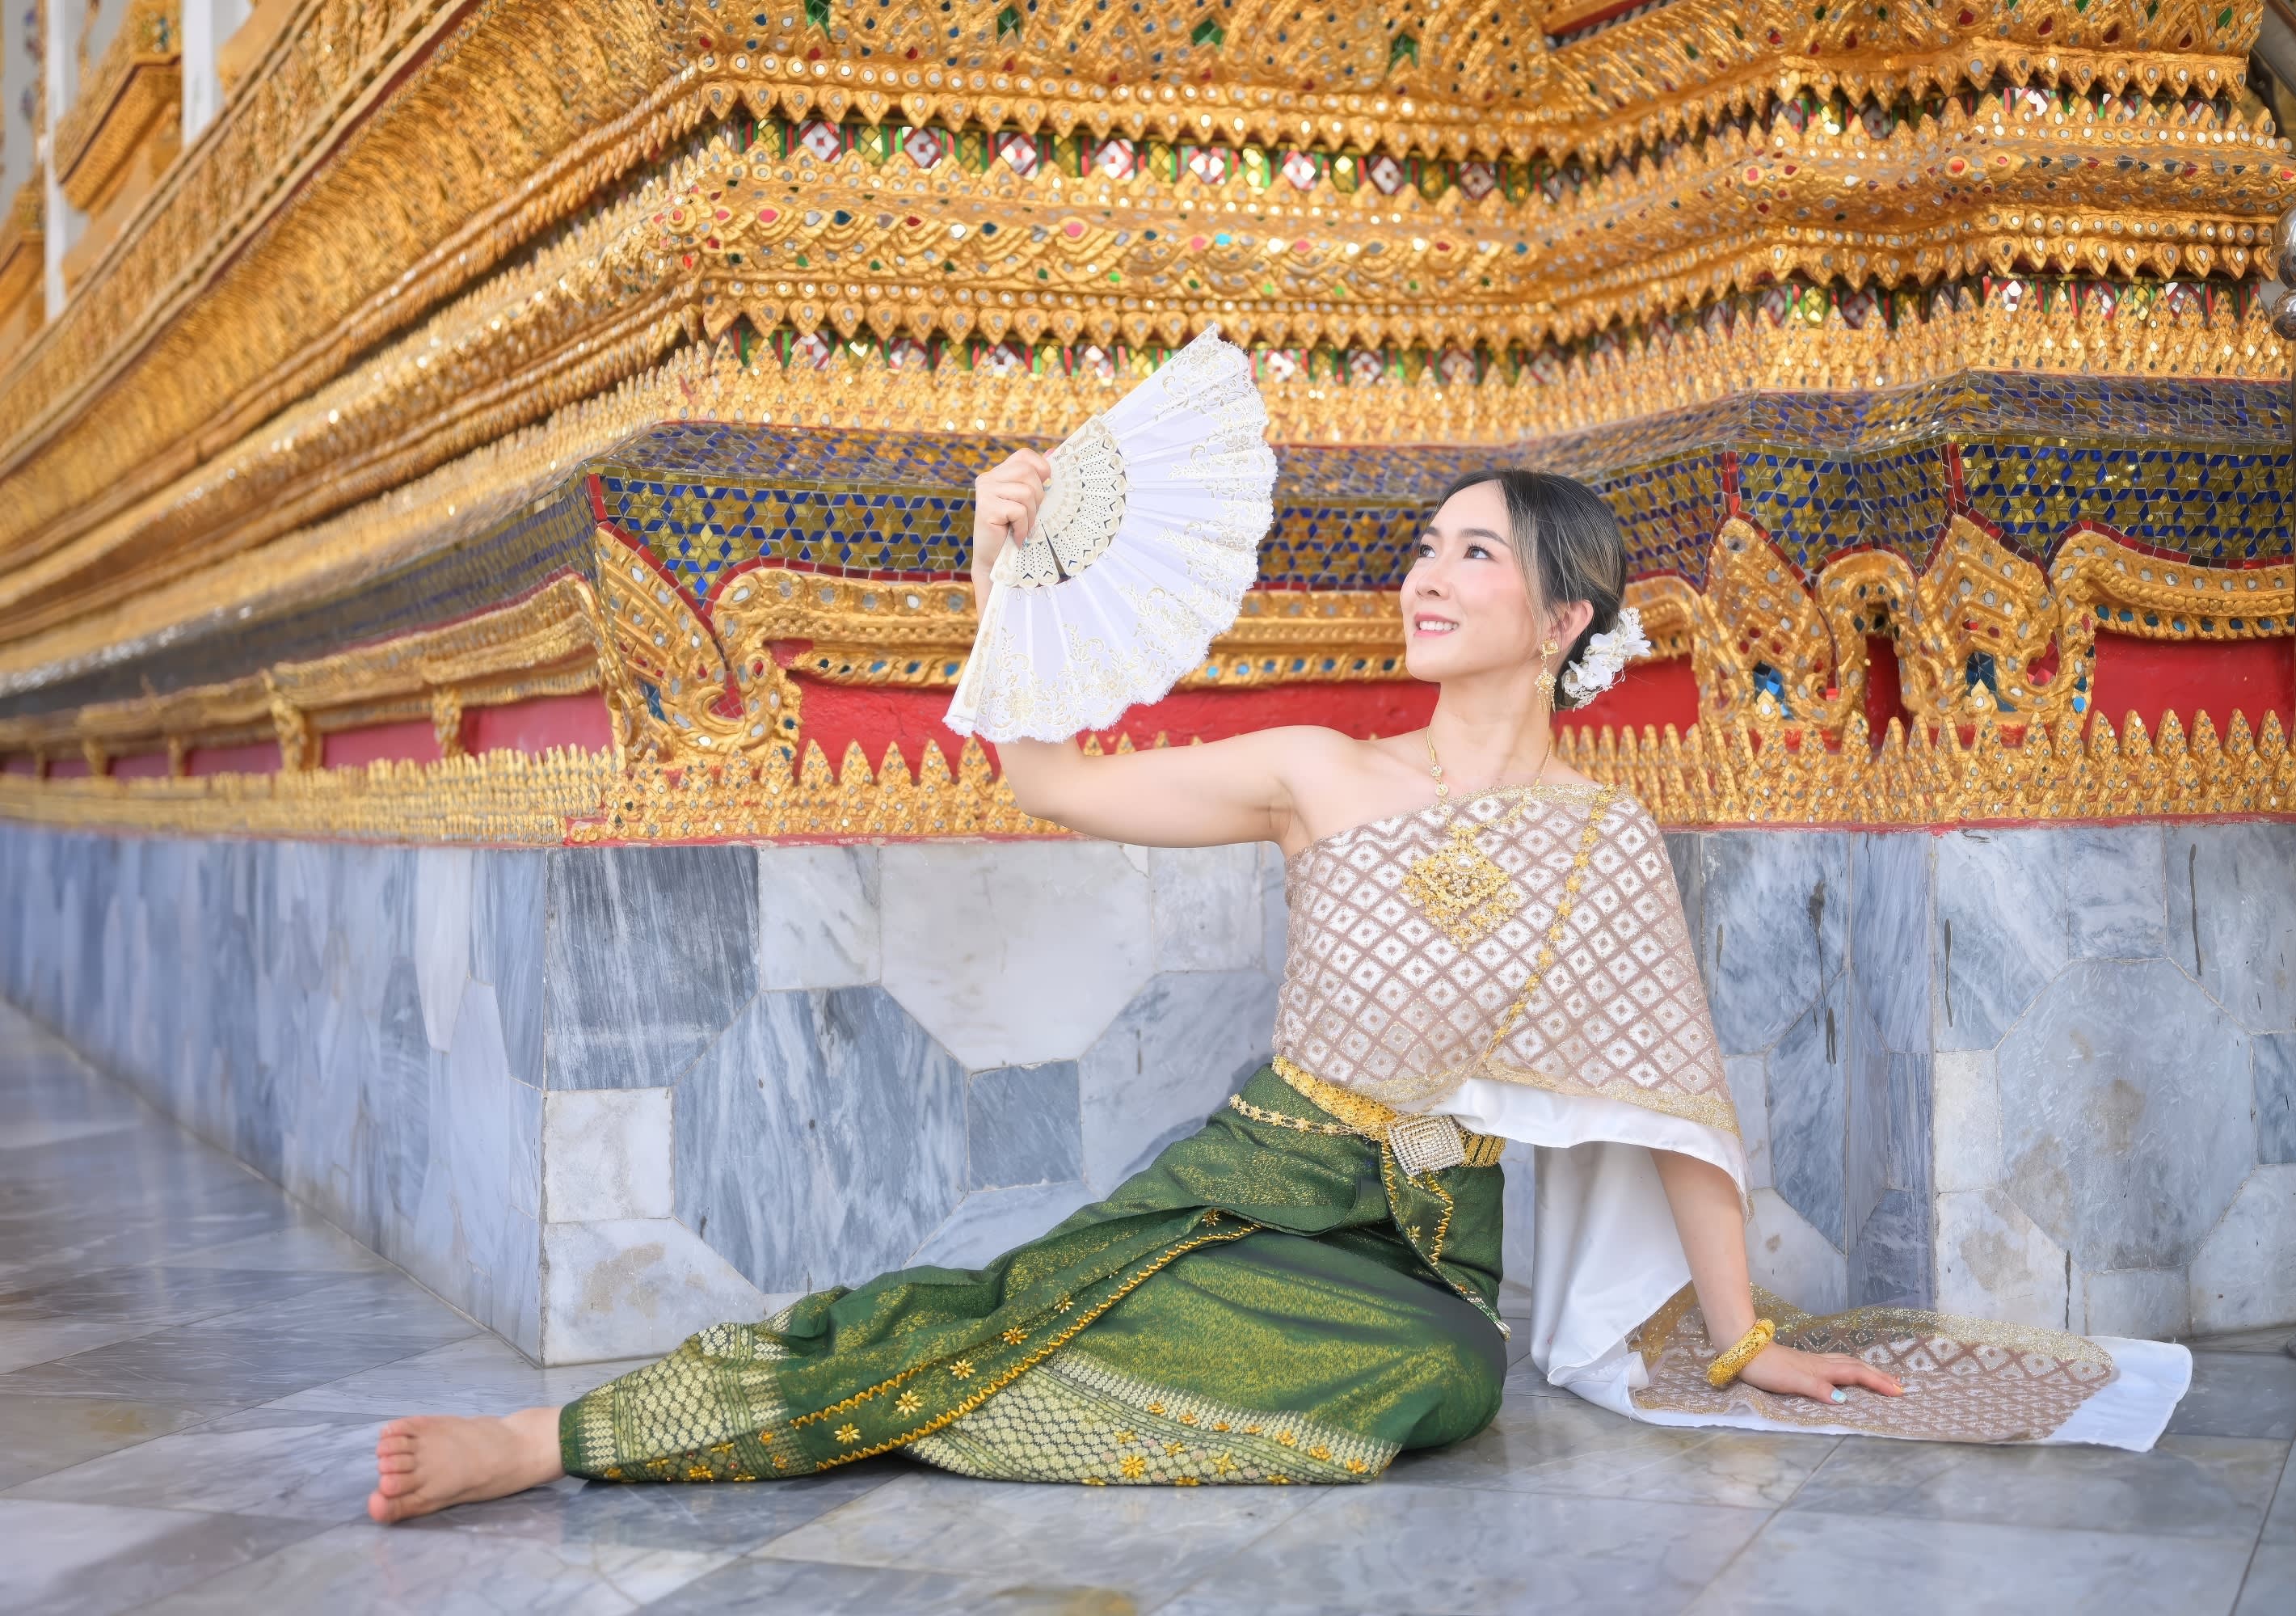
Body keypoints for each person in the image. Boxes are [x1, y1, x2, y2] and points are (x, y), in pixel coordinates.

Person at [365, 462, 2184, 1522]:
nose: (1428, 576)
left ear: (1566, 619)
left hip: (1420, 1251)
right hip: (1256, 1180)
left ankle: (988, 1389)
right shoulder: (1319, 769)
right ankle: (563, 1437)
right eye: (1427, 547)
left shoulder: (1607, 839)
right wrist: (1004, 566)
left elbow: (1671, 1102)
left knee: (1444, 1376)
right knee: (999, 1306)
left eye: (1476, 553)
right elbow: (1046, 781)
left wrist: (1740, 1340)